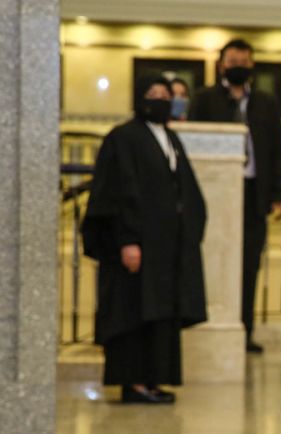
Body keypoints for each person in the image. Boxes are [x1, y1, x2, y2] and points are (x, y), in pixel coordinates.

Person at [81, 76, 208, 404]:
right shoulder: (123, 138)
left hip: (164, 251)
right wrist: (127, 240)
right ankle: (133, 382)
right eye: (153, 94)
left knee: (158, 314)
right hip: (136, 248)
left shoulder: (170, 138)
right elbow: (117, 193)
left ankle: (153, 379)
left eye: (167, 95)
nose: (162, 100)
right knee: (132, 312)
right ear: (139, 98)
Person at [188, 38, 281, 354]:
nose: (238, 68)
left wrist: (280, 193)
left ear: (252, 66)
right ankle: (213, 324)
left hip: (253, 194)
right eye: (233, 62)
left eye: (244, 62)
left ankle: (244, 331)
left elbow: (277, 151)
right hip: (216, 196)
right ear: (221, 65)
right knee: (216, 260)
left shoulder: (265, 103)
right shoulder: (204, 100)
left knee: (249, 265)